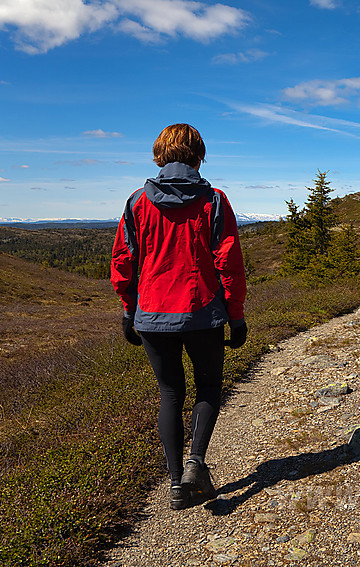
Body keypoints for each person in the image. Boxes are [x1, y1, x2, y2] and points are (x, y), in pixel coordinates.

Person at [110, 123, 248, 510]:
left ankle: (175, 485)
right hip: (202, 313)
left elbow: (124, 259)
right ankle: (195, 465)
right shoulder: (214, 201)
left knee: (170, 393)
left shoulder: (138, 202)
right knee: (207, 387)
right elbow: (229, 262)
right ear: (198, 154)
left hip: (151, 315)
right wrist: (235, 316)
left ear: (160, 155)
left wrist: (128, 308)